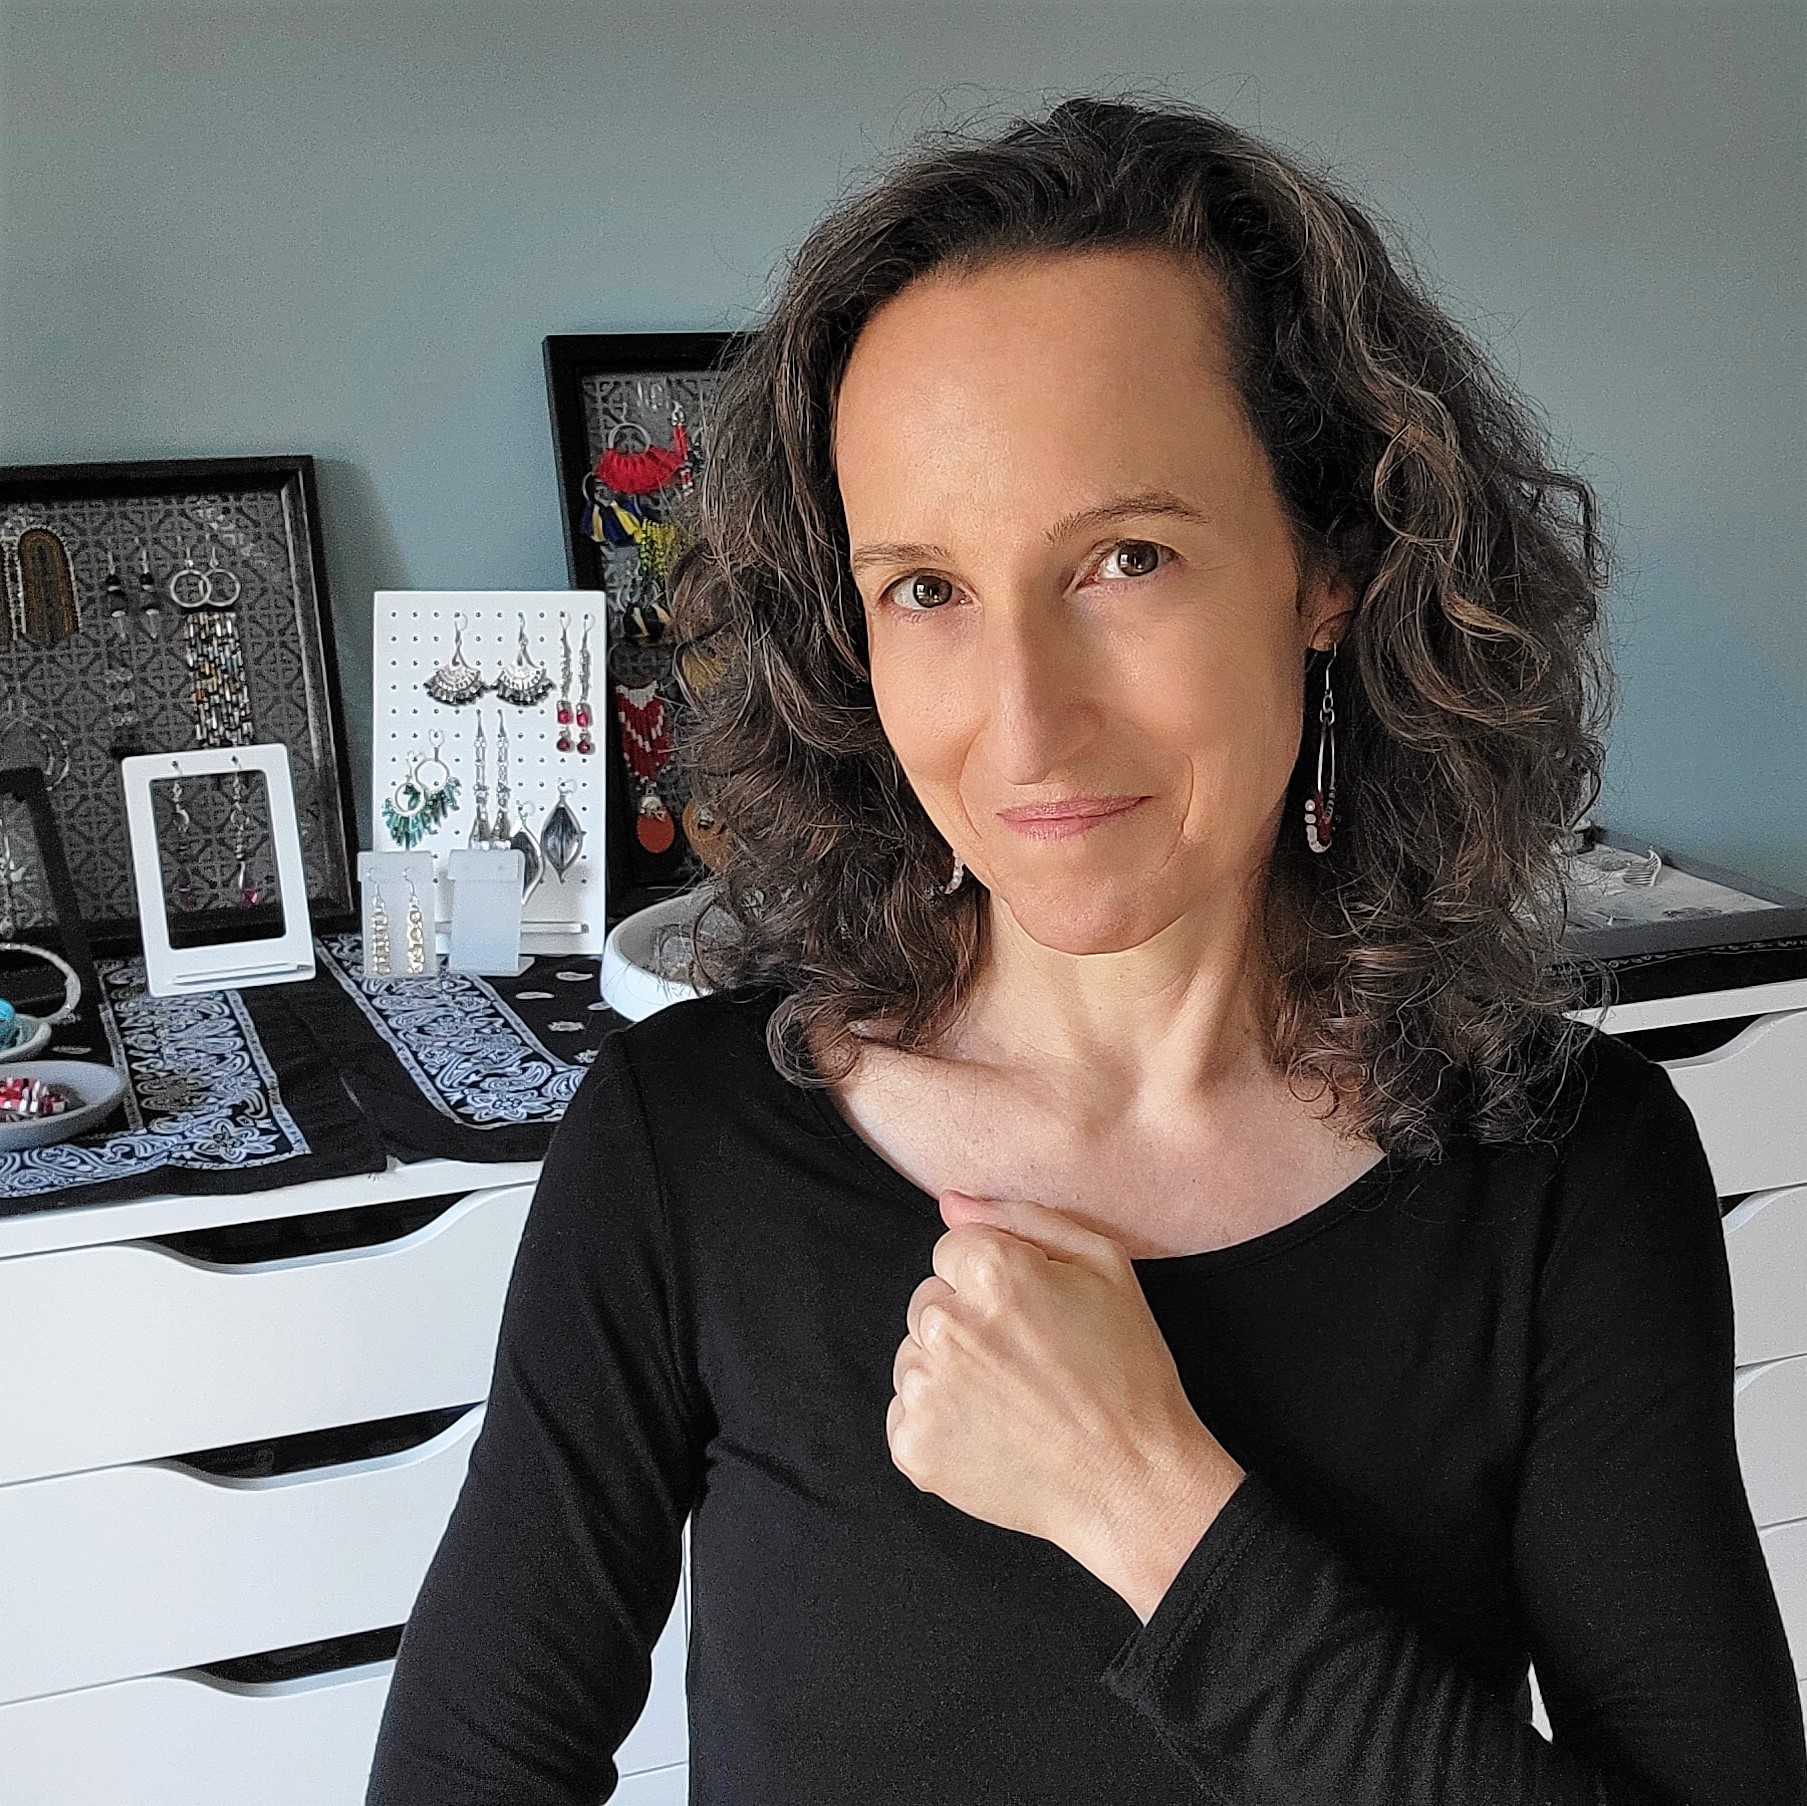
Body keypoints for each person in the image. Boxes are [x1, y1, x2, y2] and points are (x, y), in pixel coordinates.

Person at [364, 95, 1805, 1804]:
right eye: (926, 587)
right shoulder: (682, 1148)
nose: (1026, 726)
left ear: (1329, 564)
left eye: (1126, 558)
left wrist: (1152, 1507)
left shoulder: (1567, 1173)